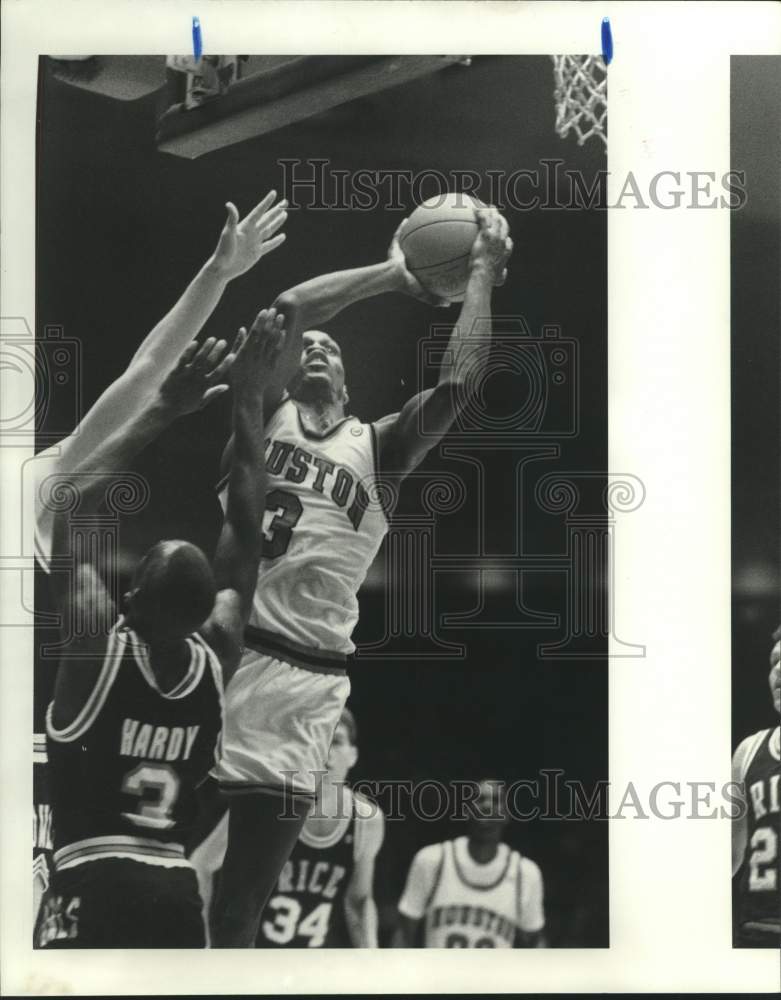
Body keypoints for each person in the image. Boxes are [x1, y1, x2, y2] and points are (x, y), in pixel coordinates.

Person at [211, 207, 513, 946]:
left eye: (329, 349)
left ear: (347, 381)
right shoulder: (263, 411)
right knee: (169, 862)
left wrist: (479, 278)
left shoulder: (376, 447)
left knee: (239, 905)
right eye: (305, 348)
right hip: (227, 650)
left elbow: (457, 388)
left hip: (309, 685)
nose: (313, 347)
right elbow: (285, 311)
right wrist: (392, 276)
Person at [31, 190, 287, 924]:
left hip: (63, 757)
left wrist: (217, 272)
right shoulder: (190, 635)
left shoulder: (40, 484)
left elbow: (147, 373)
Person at [192, 706, 385, 947]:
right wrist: (203, 945)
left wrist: (373, 965)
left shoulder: (366, 819)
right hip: (254, 964)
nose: (325, 752)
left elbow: (359, 902)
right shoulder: (266, 804)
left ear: (353, 755)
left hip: (311, 966)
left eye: (336, 741)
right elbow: (200, 866)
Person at [394, 778, 546, 948]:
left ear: (507, 814)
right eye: (479, 799)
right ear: (466, 809)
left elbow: (536, 944)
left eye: (496, 801)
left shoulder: (525, 873)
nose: (487, 806)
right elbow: (403, 933)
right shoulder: (432, 860)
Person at [731, 626, 780, 948]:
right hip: (757, 931)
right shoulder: (749, 751)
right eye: (774, 661)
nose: (778, 670)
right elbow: (731, 858)